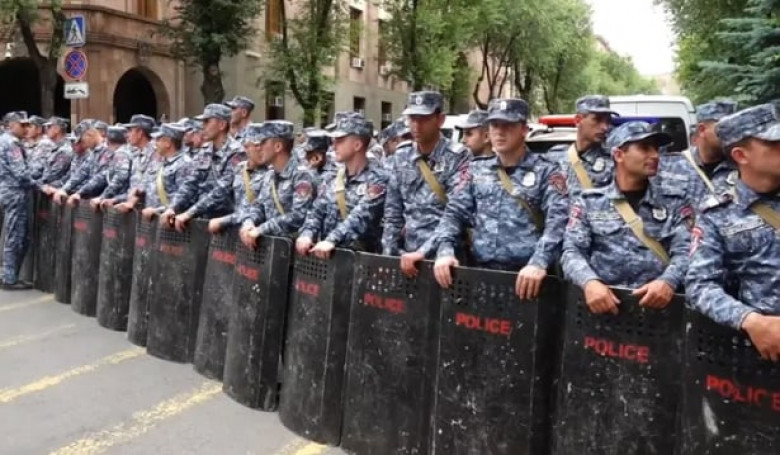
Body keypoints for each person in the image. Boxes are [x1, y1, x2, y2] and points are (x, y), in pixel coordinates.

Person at [406, 99, 569, 300]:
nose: (500, 132)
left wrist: (539, 262)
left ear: (524, 130)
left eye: (508, 125)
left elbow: (558, 222)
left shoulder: (547, 172)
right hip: (480, 276)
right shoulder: (476, 169)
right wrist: (445, 251)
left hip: (528, 281)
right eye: (494, 125)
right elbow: (454, 214)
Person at [562, 121, 693, 314]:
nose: (655, 155)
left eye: (656, 149)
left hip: (658, 311)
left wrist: (668, 282)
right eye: (644, 148)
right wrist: (589, 282)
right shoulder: (590, 202)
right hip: (602, 309)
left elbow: (687, 252)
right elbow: (572, 252)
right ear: (618, 155)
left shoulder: (674, 203)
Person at [686, 104, 780, 361]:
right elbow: (700, 285)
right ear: (741, 155)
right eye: (774, 143)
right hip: (763, 354)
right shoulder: (717, 214)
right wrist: (750, 320)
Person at [383, 91, 470, 258]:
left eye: (423, 119)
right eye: (412, 119)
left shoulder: (458, 157)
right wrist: (389, 251)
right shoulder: (402, 156)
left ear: (440, 120)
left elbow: (456, 211)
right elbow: (393, 212)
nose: (416, 125)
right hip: (407, 255)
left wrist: (423, 252)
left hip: (445, 256)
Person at [296, 115, 388, 257]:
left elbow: (361, 216)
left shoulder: (378, 179)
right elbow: (316, 211)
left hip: (362, 262)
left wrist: (331, 240)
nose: (333, 146)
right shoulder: (332, 178)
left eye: (340, 140)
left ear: (357, 145)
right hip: (330, 260)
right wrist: (307, 234)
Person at [161, 103, 245, 230]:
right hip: (203, 221)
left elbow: (222, 190)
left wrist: (190, 213)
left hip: (225, 225)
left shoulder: (237, 153)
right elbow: (191, 182)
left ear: (222, 125)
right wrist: (173, 207)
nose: (202, 126)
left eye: (207, 122)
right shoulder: (205, 151)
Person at [237, 121, 317, 245]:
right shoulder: (270, 174)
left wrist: (261, 229)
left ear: (278, 147)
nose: (259, 147)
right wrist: (249, 222)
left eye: (263, 143)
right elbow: (259, 206)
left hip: (294, 249)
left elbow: (298, 216)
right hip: (272, 247)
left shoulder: (301, 175)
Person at [660, 100, 739, 207]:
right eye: (723, 127)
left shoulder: (742, 167)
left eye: (733, 127)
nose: (730, 133)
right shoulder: (670, 165)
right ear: (702, 130)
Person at [547, 95, 616, 199]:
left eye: (607, 121)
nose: (605, 127)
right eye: (597, 119)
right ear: (578, 120)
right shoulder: (554, 157)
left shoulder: (613, 161)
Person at [207, 123, 269, 235]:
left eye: (263, 145)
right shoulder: (239, 168)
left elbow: (260, 210)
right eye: (256, 145)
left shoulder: (271, 173)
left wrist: (224, 221)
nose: (261, 149)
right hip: (237, 234)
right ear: (246, 147)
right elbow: (223, 193)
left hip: (259, 234)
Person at [132, 123, 196, 221]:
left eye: (158, 140)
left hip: (170, 222)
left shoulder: (184, 164)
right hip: (153, 221)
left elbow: (185, 198)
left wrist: (158, 210)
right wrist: (138, 191)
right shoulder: (161, 162)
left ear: (168, 143)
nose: (155, 143)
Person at [0, 112, 32, 289]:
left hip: (8, 191)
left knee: (13, 234)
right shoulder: (11, 143)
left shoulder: (4, 140)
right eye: (22, 125)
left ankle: (8, 275)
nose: (26, 128)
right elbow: (21, 173)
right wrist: (40, 185)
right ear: (11, 125)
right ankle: (9, 279)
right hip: (15, 192)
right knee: (15, 236)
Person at [36, 117, 72, 188]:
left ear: (57, 129)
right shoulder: (55, 147)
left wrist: (34, 184)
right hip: (48, 187)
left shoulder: (65, 149)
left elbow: (52, 175)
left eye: (49, 127)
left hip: (56, 188)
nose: (46, 129)